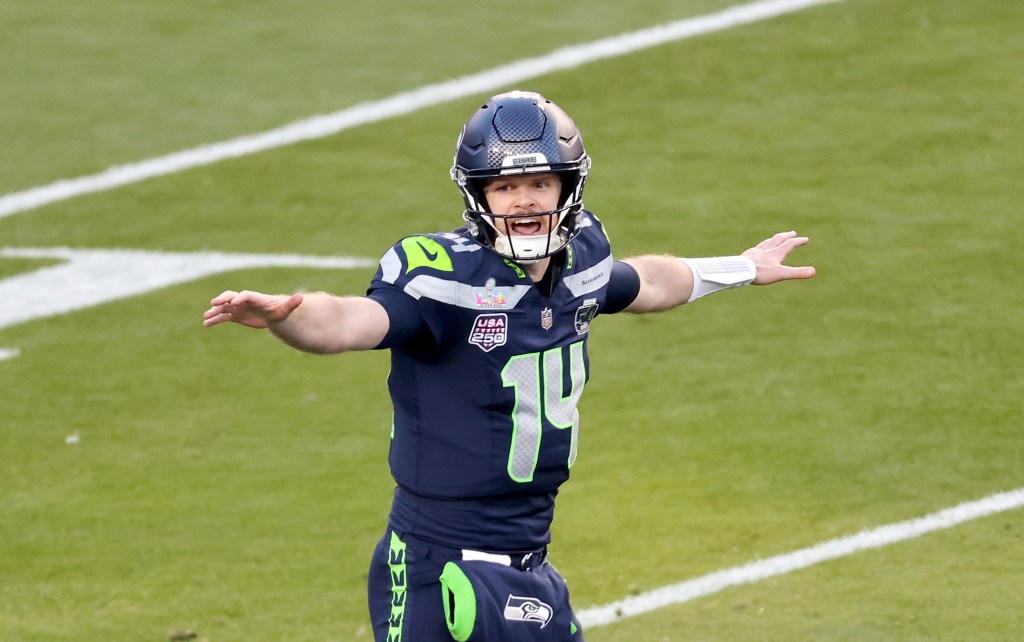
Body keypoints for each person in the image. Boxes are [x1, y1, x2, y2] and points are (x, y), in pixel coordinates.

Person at [203, 90, 814, 642]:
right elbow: (346, 322)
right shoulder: (444, 279)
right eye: (503, 187)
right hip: (433, 562)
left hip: (530, 563)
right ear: (478, 195)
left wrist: (738, 267)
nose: (522, 200)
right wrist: (286, 316)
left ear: (567, 188)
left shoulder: (581, 263)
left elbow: (647, 280)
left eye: (540, 183)